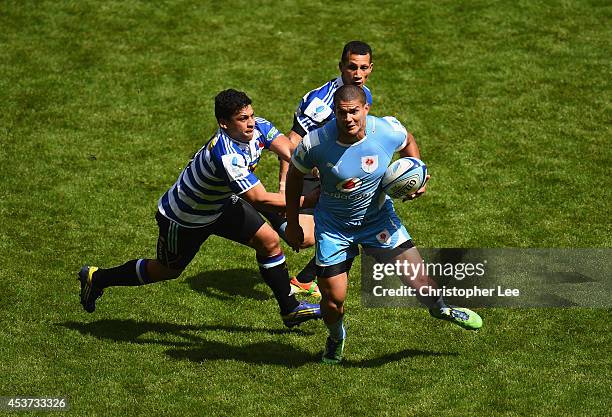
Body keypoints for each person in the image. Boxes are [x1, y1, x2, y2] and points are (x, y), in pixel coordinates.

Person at [78, 89, 321, 328]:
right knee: (167, 270)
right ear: (224, 123)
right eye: (242, 119)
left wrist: (318, 169)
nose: (250, 124)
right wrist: (308, 202)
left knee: (269, 242)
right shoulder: (227, 155)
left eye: (251, 115)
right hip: (185, 218)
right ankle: (97, 277)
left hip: (220, 205)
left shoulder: (259, 127)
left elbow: (290, 150)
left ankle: (290, 310)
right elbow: (259, 200)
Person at [285, 85, 483, 364]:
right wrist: (293, 223)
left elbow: (408, 142)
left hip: (378, 220)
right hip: (334, 228)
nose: (348, 119)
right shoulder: (315, 143)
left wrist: (418, 175)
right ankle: (336, 338)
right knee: (333, 301)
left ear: (366, 109)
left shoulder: (387, 130)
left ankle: (441, 309)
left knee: (422, 284)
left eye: (354, 112)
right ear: (335, 113)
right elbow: (295, 177)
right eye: (342, 113)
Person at [268, 40, 378, 297]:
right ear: (341, 66)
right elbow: (290, 144)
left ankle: (307, 279)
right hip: (306, 174)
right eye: (352, 67)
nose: (358, 74)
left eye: (363, 68)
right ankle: (263, 206)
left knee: (355, 225)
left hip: (333, 175)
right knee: (305, 237)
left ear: (371, 68)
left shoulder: (363, 95)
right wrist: (284, 189)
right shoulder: (321, 103)